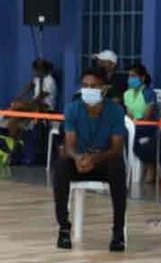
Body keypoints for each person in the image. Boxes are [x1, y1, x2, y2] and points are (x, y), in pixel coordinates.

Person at [53, 67, 127, 252]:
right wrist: (78, 158)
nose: (88, 89)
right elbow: (69, 144)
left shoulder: (116, 111)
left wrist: (94, 158)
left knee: (118, 168)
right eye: (85, 85)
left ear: (103, 88)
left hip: (103, 161)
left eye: (93, 86)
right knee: (61, 165)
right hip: (80, 161)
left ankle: (118, 232)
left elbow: (117, 148)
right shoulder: (72, 109)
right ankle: (63, 227)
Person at [122, 64, 158, 183]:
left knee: (128, 135)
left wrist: (135, 123)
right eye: (129, 76)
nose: (130, 79)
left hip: (148, 125)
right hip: (133, 125)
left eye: (133, 76)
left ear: (142, 78)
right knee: (118, 133)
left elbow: (147, 117)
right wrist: (131, 123)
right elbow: (129, 115)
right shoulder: (127, 94)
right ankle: (127, 166)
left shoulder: (149, 93)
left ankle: (149, 165)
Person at [6, 59, 57, 138]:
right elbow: (30, 85)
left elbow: (40, 96)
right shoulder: (38, 78)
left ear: (41, 70)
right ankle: (13, 141)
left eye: (35, 71)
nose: (34, 73)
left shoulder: (49, 80)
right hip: (34, 105)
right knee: (13, 120)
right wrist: (19, 96)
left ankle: (4, 115)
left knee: (17, 106)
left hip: (45, 107)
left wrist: (27, 105)